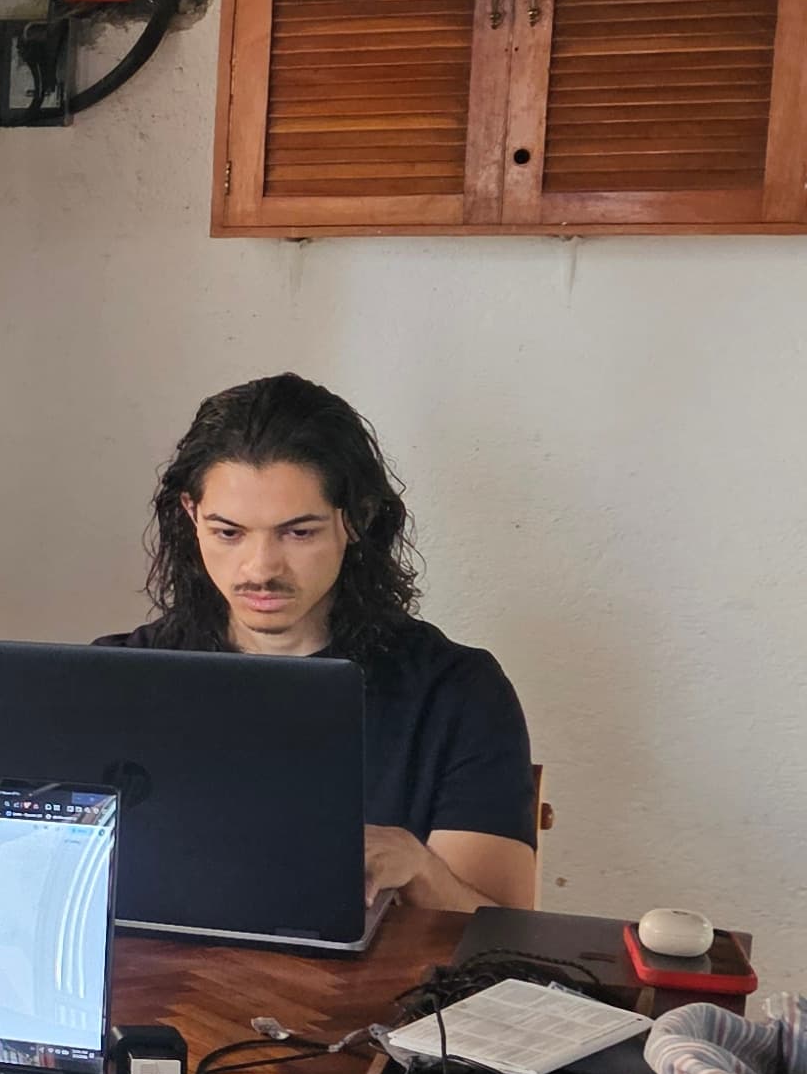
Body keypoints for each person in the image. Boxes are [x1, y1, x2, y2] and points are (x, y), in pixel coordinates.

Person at [105, 370, 536, 921]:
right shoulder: (120, 679)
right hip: (163, 976)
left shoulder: (457, 694)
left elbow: (503, 939)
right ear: (192, 515)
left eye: (298, 532)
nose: (260, 568)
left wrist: (422, 871)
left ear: (355, 519)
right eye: (228, 532)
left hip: (386, 981)